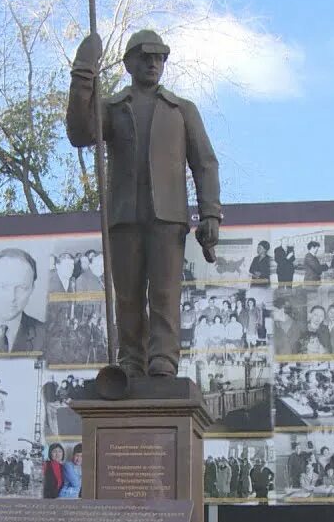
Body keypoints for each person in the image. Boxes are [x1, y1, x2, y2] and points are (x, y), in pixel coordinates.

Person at [67, 29, 220, 378]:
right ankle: (132, 358)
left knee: (165, 292)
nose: (153, 63)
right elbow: (79, 132)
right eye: (146, 57)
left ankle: (163, 358)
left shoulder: (182, 111)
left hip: (167, 215)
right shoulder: (113, 108)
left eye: (159, 58)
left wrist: (210, 212)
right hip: (125, 215)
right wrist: (83, 77)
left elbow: (205, 163)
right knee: (128, 294)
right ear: (129, 63)